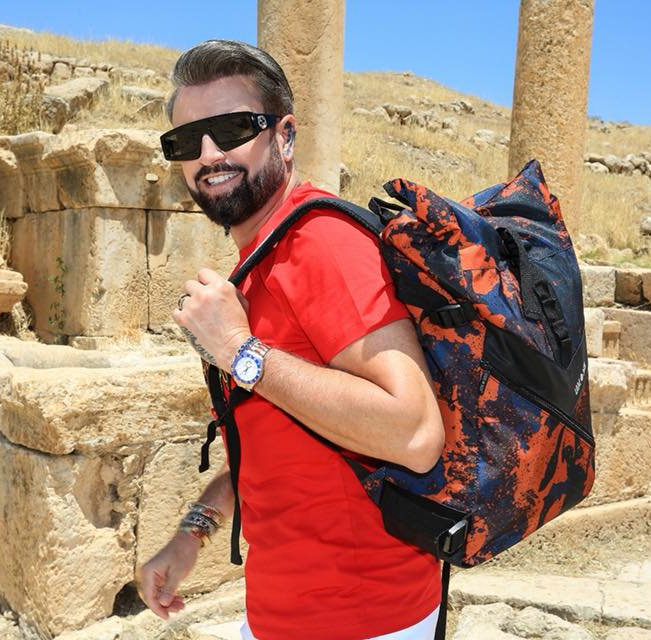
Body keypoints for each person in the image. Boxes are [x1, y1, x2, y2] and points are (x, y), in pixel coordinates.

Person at [137, 39, 445, 640]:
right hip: (285, 610)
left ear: (285, 135)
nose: (209, 155)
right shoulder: (262, 257)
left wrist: (238, 351)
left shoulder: (322, 242)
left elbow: (414, 433)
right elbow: (273, 448)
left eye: (232, 129)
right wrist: (193, 531)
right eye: (187, 141)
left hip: (364, 618)